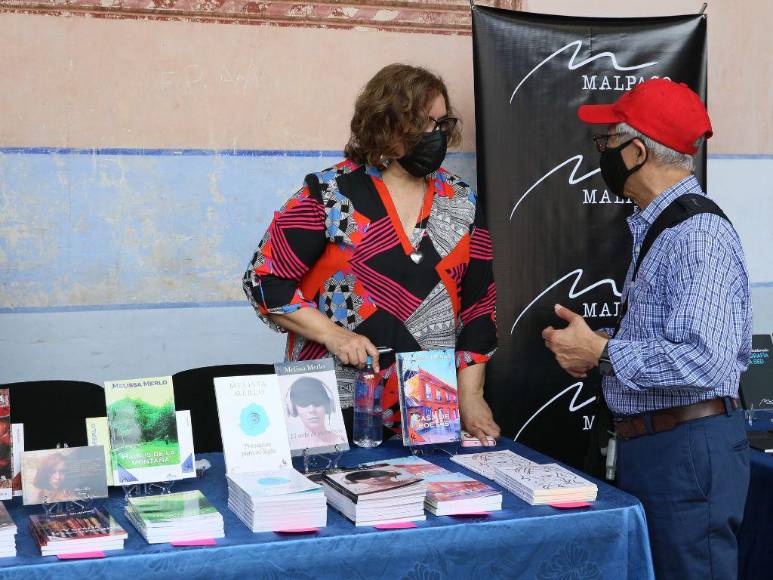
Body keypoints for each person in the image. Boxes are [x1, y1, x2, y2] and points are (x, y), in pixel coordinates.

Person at [542, 78, 751, 580]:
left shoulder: (697, 236)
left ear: (636, 152)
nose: (602, 153)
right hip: (663, 450)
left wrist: (602, 354)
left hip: (686, 453)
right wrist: (596, 349)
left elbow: (708, 360)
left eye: (607, 142)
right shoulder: (665, 228)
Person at [243, 63, 499, 445]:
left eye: (441, 125)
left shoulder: (460, 202)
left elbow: (480, 306)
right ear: (385, 125)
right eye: (422, 124)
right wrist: (333, 335)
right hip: (328, 404)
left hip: (428, 409)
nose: (435, 136)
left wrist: (471, 396)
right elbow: (264, 280)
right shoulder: (329, 195)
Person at [286, 376, 347, 448]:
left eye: (318, 402)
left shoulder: (342, 441)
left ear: (328, 405)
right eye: (303, 403)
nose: (312, 410)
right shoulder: (290, 446)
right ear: (292, 409)